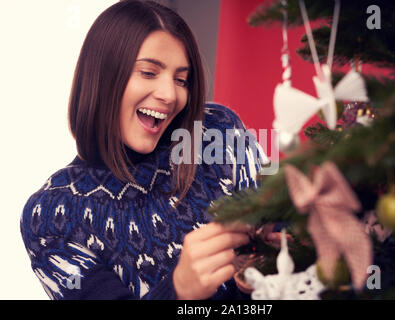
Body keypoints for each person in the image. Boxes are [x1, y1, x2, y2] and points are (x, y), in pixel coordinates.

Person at [20, 0, 273, 300]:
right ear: (103, 75)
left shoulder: (218, 129)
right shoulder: (49, 215)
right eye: (149, 73)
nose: (170, 95)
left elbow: (282, 221)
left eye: (181, 80)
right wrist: (178, 291)